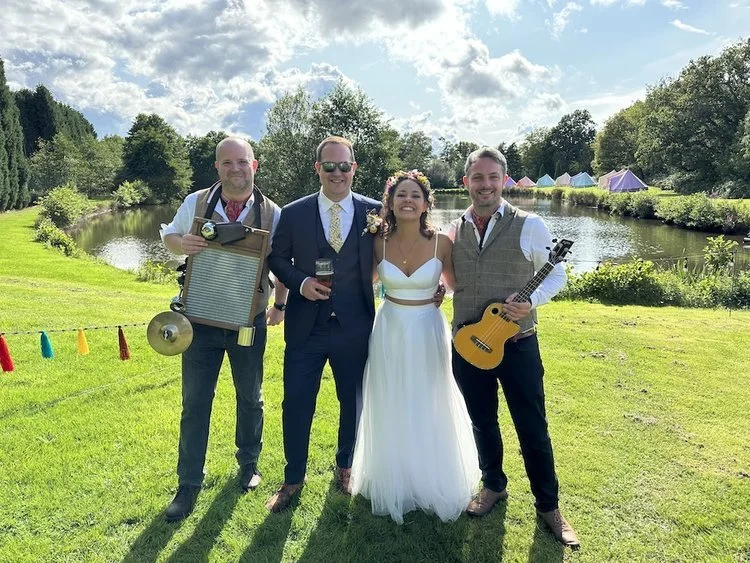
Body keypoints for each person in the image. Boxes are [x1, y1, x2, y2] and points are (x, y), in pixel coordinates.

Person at [449, 146, 580, 548]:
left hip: (519, 345)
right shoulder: (454, 228)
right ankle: (493, 485)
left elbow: (557, 277)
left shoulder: (531, 224)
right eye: (477, 177)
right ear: (465, 182)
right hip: (468, 344)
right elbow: (453, 278)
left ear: (504, 180)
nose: (485, 185)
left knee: (532, 427)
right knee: (482, 422)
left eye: (493, 177)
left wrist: (532, 302)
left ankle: (549, 506)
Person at [159, 137, 288, 522]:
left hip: (248, 321)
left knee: (250, 397)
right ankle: (188, 484)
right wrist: (183, 242)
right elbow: (168, 238)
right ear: (217, 167)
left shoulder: (273, 214)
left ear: (255, 165)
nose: (235, 169)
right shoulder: (196, 202)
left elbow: (283, 263)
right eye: (227, 163)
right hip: (198, 321)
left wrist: (280, 304)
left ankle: (248, 465)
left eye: (241, 162)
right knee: (195, 402)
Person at [350, 170, 480, 524]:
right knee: (391, 396)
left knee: (428, 395)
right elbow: (367, 279)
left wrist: (438, 292)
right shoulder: (378, 242)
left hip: (427, 328)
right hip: (389, 326)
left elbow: (453, 285)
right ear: (390, 202)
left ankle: (431, 475)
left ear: (426, 203)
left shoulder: (443, 243)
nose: (408, 201)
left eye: (415, 195)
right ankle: (394, 474)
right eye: (401, 195)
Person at [266, 135, 382, 512]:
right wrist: (299, 283)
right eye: (329, 166)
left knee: (353, 401)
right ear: (317, 168)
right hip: (305, 327)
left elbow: (401, 255)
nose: (337, 173)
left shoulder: (376, 212)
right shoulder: (294, 212)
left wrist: (430, 287)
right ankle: (292, 478)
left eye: (344, 166)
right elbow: (276, 259)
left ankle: (346, 466)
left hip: (355, 327)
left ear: (354, 168)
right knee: (296, 403)